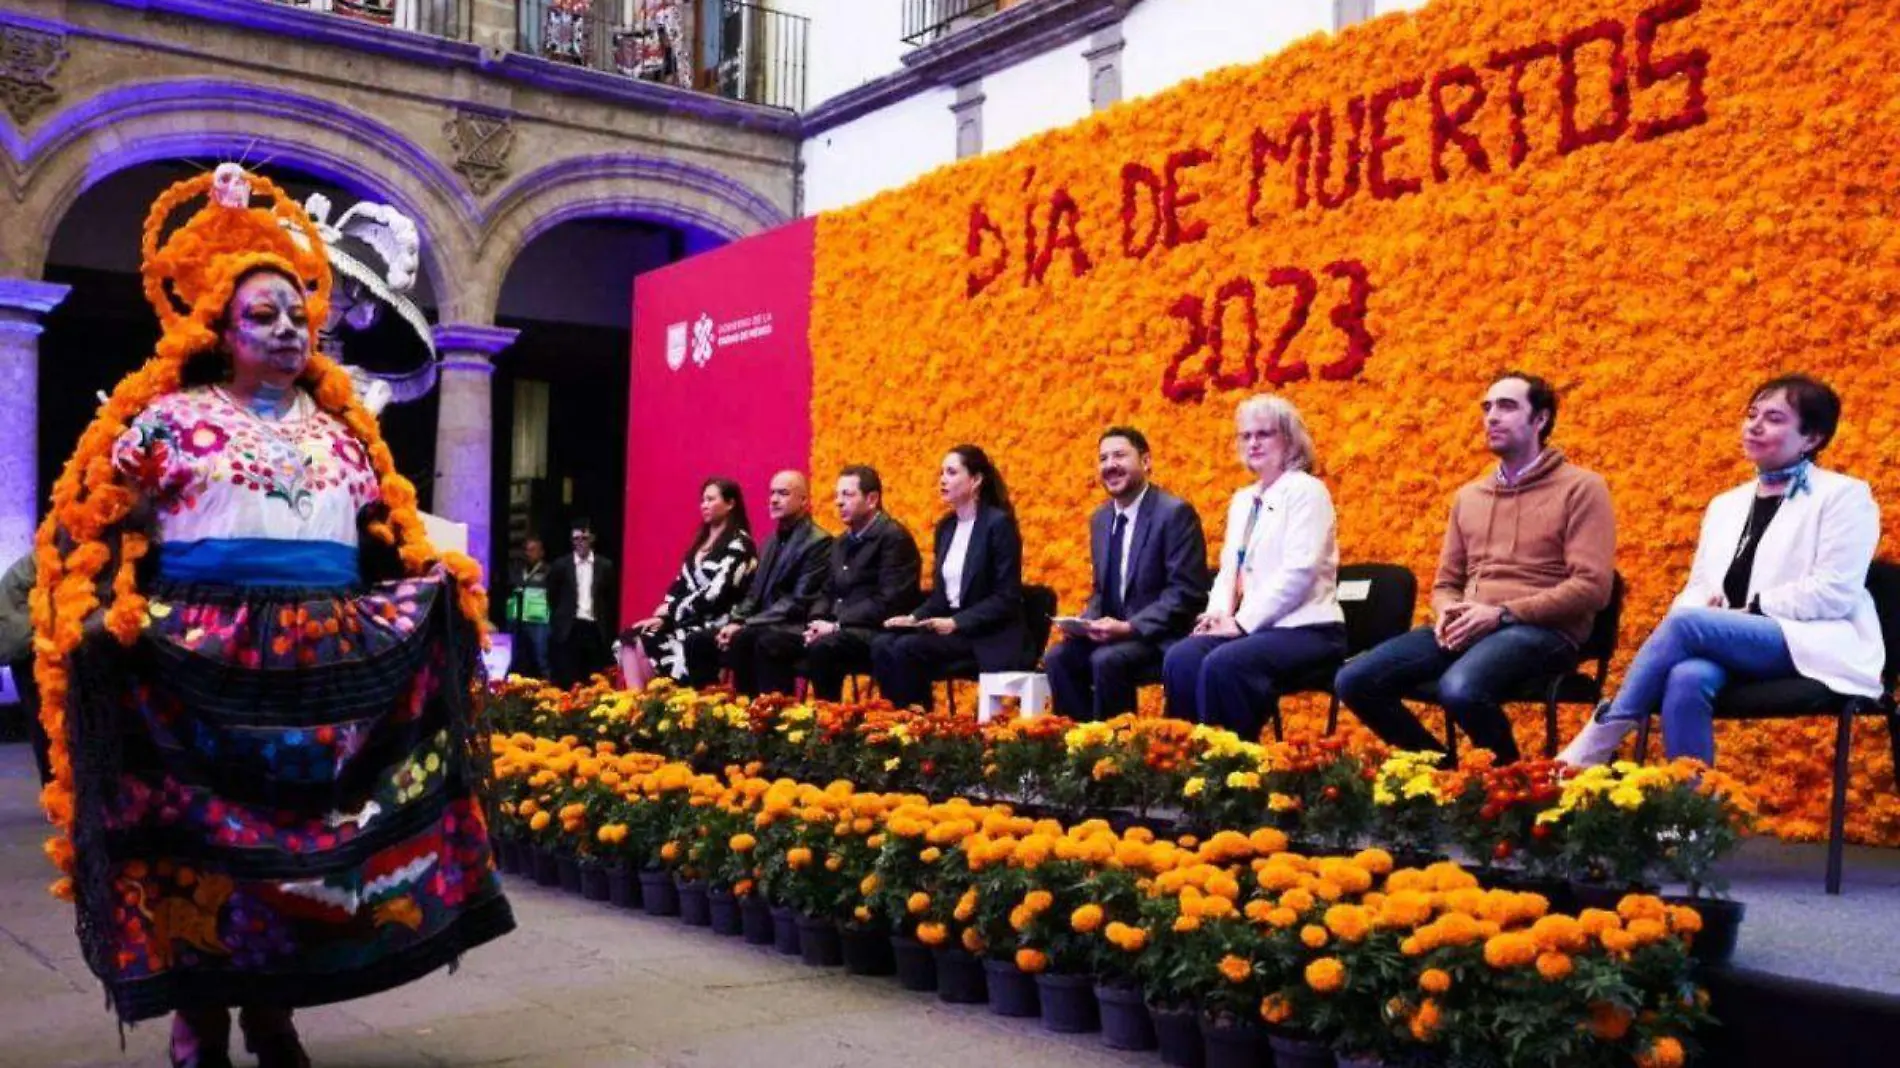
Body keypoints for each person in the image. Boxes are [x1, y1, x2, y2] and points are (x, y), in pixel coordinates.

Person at [29, 165, 512, 1067]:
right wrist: (95, 624)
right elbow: (95, 535)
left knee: (306, 855)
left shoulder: (344, 437)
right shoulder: (166, 424)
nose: (287, 329)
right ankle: (200, 1019)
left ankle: (274, 1012)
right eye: (264, 315)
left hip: (316, 672)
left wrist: (433, 590)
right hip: (196, 671)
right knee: (202, 853)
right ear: (220, 323)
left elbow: (382, 547)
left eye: (298, 315)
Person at [1559, 375, 1883, 766]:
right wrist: (1706, 607)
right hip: (1735, 641)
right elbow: (1700, 586)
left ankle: (1601, 737)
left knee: (1685, 625)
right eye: (1751, 414)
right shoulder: (1726, 504)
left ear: (1811, 438)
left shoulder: (1845, 496)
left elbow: (1834, 592)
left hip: (1813, 641)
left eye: (1774, 418)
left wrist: (1749, 611)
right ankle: (1693, 817)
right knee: (1686, 679)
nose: (1755, 425)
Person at [1335, 372, 1616, 763]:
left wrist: (1501, 615)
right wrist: (1448, 611)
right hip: (1472, 627)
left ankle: (1515, 788)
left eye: (1507, 406)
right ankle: (1444, 773)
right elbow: (1446, 583)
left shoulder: (1582, 488)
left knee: (1460, 688)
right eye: (1487, 407)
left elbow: (1592, 587)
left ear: (1541, 420)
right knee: (1355, 680)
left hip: (1544, 632)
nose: (1491, 417)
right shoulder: (1469, 496)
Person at [1160, 399, 1345, 738]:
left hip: (1307, 629)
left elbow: (1300, 571)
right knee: (1181, 657)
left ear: (1289, 440)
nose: (1253, 443)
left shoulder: (1307, 491)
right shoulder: (1244, 499)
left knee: (1225, 664)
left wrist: (1242, 623)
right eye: (1245, 436)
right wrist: (1217, 615)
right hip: (1253, 629)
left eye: (1264, 434)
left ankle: (1232, 773)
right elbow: (1230, 568)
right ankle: (1184, 767)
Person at [1045, 427, 1209, 721]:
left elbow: (1185, 593)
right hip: (1115, 636)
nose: (1110, 465)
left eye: (1119, 455)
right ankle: (1080, 752)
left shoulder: (1174, 514)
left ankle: (1117, 757)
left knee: (1107, 660)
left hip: (1160, 637)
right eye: (1103, 458)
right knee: (1059, 658)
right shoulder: (1100, 518)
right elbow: (1101, 591)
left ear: (1146, 462)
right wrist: (1084, 623)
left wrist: (1130, 627)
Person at [872, 446, 1027, 710]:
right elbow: (941, 597)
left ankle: (919, 727)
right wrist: (913, 618)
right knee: (882, 643)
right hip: (953, 631)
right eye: (941, 473)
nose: (942, 479)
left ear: (976, 480)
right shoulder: (946, 527)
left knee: (906, 648)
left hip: (987, 634)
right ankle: (896, 725)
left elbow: (1006, 597)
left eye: (952, 472)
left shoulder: (998, 524)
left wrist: (956, 622)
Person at [774, 466, 922, 701]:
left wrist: (836, 625)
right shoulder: (841, 542)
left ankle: (830, 724)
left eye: (848, 495)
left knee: (824, 648)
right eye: (837, 496)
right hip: (841, 630)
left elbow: (890, 601)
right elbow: (826, 592)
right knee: (771, 642)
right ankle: (774, 720)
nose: (839, 503)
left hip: (876, 631)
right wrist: (816, 621)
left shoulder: (893, 538)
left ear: (872, 499)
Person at [619, 478, 757, 689]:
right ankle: (639, 707)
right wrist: (662, 617)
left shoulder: (740, 544)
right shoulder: (700, 542)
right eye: (702, 500)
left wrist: (673, 610)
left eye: (711, 499)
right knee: (630, 639)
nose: (704, 505)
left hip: (717, 622)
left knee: (656, 644)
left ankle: (666, 703)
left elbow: (716, 594)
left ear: (730, 504)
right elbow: (680, 584)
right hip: (686, 619)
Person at [719, 471, 833, 696]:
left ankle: (769, 721)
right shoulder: (770, 541)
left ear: (804, 501)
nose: (773, 499)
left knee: (751, 638)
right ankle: (710, 720)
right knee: (699, 641)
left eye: (783, 493)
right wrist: (736, 620)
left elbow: (798, 602)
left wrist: (748, 623)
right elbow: (753, 593)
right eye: (772, 493)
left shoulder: (819, 541)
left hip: (793, 626)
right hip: (763, 624)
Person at [0, 552, 51, 784]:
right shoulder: (45, 561)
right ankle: (56, 787)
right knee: (44, 719)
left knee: (40, 719)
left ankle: (53, 785)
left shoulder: (28, 565)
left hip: (20, 646)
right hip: (27, 647)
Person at [547, 519, 617, 687]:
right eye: (576, 539)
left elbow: (610, 599)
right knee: (569, 678)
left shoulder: (605, 566)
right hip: (570, 628)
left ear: (592, 539)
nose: (580, 543)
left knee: (594, 677)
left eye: (584, 538)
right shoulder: (561, 566)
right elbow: (553, 596)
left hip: (594, 627)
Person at [505, 536, 551, 678]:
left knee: (541, 658)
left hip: (539, 621)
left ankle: (550, 691)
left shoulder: (549, 571)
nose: (528, 553)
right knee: (516, 657)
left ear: (541, 552)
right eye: (526, 550)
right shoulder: (516, 570)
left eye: (532, 550)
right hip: (517, 621)